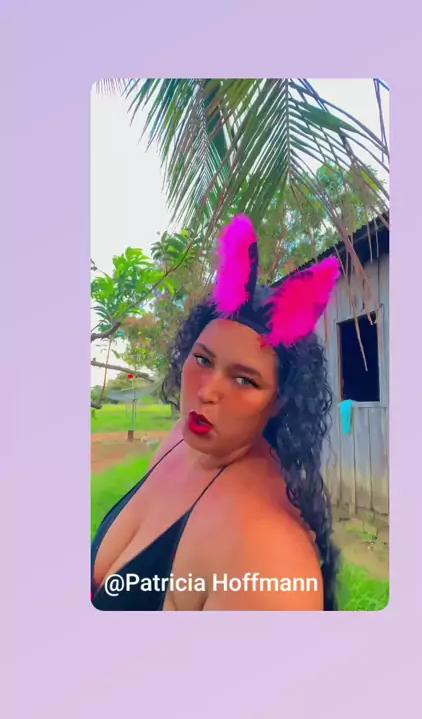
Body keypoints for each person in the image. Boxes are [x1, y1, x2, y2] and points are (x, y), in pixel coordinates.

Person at [91, 215, 341, 611]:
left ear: (280, 401)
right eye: (203, 360)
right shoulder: (178, 441)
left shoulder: (269, 559)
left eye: (244, 380)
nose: (207, 392)